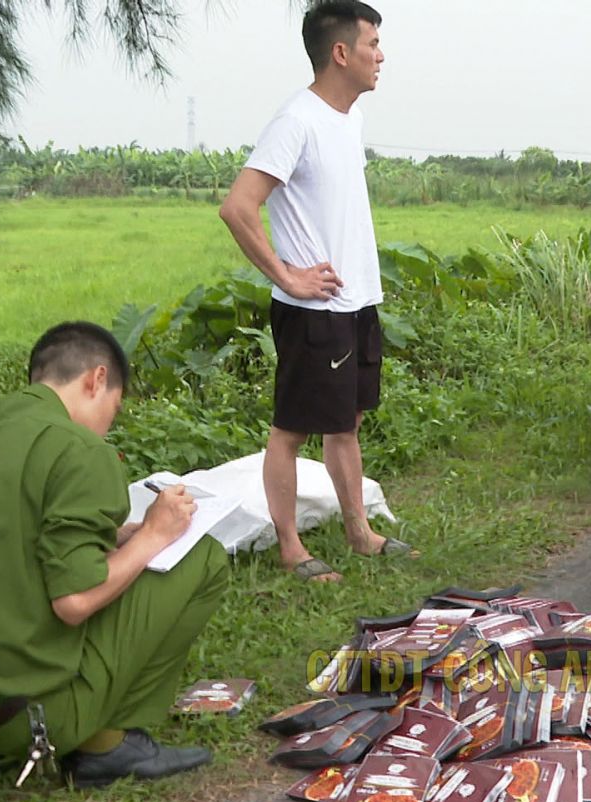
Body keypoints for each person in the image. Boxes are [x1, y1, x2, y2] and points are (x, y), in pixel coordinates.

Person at [0, 323, 230, 790]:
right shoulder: (79, 448)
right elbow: (74, 603)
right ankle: (106, 745)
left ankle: (25, 737)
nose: (108, 425)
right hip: (26, 718)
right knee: (205, 559)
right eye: (113, 410)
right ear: (97, 379)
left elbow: (11, 521)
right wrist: (153, 535)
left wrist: (117, 534)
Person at [218, 0, 408, 584]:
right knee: (292, 426)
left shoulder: (346, 117)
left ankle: (359, 531)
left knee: (344, 420)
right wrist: (288, 276)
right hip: (313, 308)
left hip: (354, 300)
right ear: (341, 52)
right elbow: (238, 207)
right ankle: (290, 547)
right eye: (373, 43)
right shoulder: (296, 120)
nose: (382, 55)